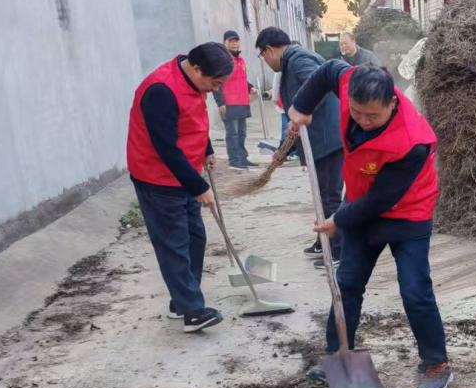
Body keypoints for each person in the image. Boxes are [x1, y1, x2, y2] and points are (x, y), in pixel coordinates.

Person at [286, 62, 453, 388]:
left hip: (407, 214)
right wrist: (300, 108)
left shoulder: (412, 142)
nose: (362, 120)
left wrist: (337, 221)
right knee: (346, 284)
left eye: (372, 116)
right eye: (357, 112)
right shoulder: (353, 84)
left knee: (415, 290)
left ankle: (436, 362)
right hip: (360, 204)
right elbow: (329, 70)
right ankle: (338, 353)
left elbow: (383, 198)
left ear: (392, 103)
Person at [126, 42, 237, 333]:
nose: (215, 90)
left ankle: (182, 300)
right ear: (197, 68)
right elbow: (166, 148)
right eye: (214, 83)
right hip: (158, 177)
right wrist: (199, 186)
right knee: (174, 243)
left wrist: (208, 149)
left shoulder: (195, 82)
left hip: (185, 170)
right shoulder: (160, 91)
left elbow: (194, 121)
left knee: (195, 238)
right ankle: (193, 312)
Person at [255, 27, 344, 265]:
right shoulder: (292, 62)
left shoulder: (298, 60)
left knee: (329, 196)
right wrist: (284, 150)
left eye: (262, 56)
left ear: (269, 50)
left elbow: (319, 86)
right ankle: (325, 241)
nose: (265, 61)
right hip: (320, 140)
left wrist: (302, 111)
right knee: (321, 195)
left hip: (327, 140)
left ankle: (338, 249)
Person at [213, 30, 257, 170]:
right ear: (224, 43)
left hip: (242, 102)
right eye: (231, 41)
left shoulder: (240, 61)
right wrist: (220, 103)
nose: (234, 44)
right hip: (229, 103)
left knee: (242, 133)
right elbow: (217, 82)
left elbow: (242, 79)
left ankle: (243, 159)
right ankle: (234, 161)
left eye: (236, 41)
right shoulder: (222, 61)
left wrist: (250, 87)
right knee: (233, 134)